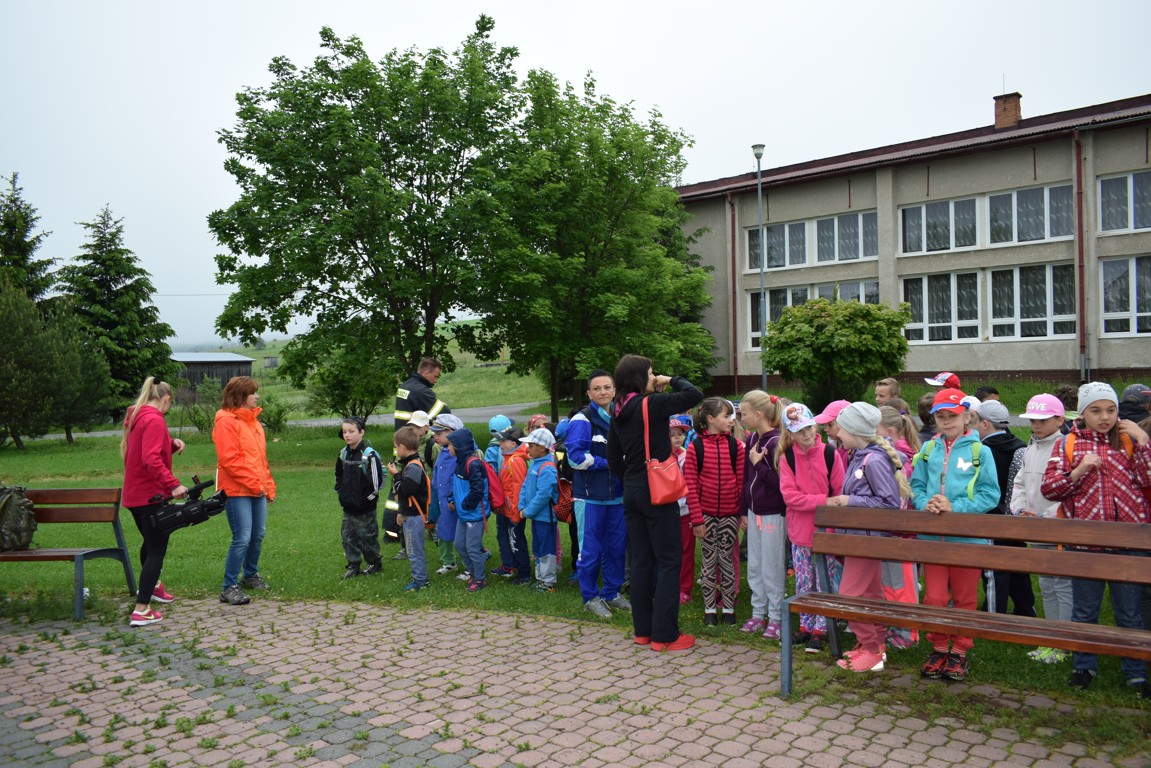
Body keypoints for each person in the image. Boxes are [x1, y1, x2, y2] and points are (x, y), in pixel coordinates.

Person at [1041, 382, 1151, 699]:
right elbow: (1049, 489)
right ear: (1082, 413)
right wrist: (1078, 471)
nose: (1105, 417)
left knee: (1129, 613)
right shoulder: (1069, 444)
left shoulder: (1129, 440)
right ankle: (1083, 667)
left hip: (1128, 543)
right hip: (1085, 543)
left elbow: (1147, 479)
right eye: (1096, 410)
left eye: (1111, 410)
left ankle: (1136, 672)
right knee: (1085, 611)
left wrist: (1144, 442)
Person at [607, 355, 704, 652]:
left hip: (633, 491)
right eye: (651, 373)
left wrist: (634, 477)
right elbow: (694, 394)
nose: (654, 377)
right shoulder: (651, 403)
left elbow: (613, 458)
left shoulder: (617, 409)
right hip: (658, 492)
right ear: (640, 377)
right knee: (669, 560)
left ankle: (644, 631)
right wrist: (671, 380)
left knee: (641, 561)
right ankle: (665, 635)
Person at [910, 388, 1000, 682]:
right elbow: (916, 487)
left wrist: (955, 506)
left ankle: (959, 651)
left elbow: (990, 495)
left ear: (967, 417)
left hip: (967, 539)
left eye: (953, 416)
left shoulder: (980, 452)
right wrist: (926, 503)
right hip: (933, 539)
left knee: (964, 598)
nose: (947, 421)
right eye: (941, 417)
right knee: (934, 597)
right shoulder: (928, 450)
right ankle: (938, 647)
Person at [825, 402, 910, 673]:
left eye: (841, 429)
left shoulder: (873, 461)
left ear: (855, 431)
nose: (838, 434)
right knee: (871, 595)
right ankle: (876, 645)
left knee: (849, 596)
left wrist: (849, 500)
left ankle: (871, 649)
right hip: (859, 540)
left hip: (867, 541)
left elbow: (889, 504)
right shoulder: (860, 456)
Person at [777, 403, 846, 655]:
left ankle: (822, 627)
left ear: (814, 426)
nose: (806, 434)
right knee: (804, 581)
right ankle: (806, 624)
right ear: (790, 433)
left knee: (824, 581)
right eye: (799, 431)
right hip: (800, 533)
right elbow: (790, 497)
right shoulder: (787, 458)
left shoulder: (830, 454)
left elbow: (839, 492)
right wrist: (822, 501)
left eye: (808, 428)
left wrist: (826, 503)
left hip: (826, 532)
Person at [1010, 393, 1073, 664]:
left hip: (1057, 528)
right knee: (1046, 585)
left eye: (1042, 420)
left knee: (1062, 585)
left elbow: (1070, 491)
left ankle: (1064, 644)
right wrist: (1019, 509)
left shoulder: (1068, 448)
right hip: (1035, 527)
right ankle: (1050, 640)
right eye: (1033, 421)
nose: (1036, 425)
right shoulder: (1031, 449)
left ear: (1059, 420)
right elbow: (1020, 484)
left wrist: (1046, 516)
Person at [120, 377, 186, 627]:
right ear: (166, 399)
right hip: (151, 495)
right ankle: (141, 609)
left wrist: (169, 444)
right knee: (157, 549)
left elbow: (144, 451)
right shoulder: (155, 419)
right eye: (170, 403)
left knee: (150, 543)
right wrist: (173, 484)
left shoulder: (138, 416)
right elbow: (150, 459)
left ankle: (153, 587)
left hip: (135, 495)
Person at [568, 370, 629, 620]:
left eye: (607, 387)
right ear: (589, 393)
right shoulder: (582, 420)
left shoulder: (621, 417)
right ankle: (590, 597)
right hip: (590, 497)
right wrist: (611, 463)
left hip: (618, 497)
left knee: (616, 549)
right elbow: (575, 458)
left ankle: (611, 593)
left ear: (614, 390)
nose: (603, 392)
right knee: (590, 551)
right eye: (597, 388)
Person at [214, 376, 277, 606]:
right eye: (253, 393)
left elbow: (260, 460)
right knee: (242, 537)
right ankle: (229, 587)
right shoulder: (225, 421)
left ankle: (250, 575)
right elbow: (230, 460)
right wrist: (255, 484)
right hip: (236, 490)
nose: (257, 397)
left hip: (256, 488)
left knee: (257, 534)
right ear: (240, 396)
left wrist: (267, 486)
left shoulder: (254, 422)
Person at [684, 397, 745, 627]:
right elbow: (690, 486)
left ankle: (728, 608)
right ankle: (709, 609)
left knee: (727, 560)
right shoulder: (695, 448)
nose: (731, 420)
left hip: (730, 515)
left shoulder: (735, 446)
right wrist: (697, 519)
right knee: (709, 562)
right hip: (706, 516)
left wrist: (740, 513)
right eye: (726, 416)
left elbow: (741, 482)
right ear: (710, 419)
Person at [972, 400, 1034, 617]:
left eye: (976, 421)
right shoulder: (1020, 446)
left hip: (992, 517)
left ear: (985, 424)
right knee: (1018, 566)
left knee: (993, 571)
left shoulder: (982, 451)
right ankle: (1026, 609)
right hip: (1015, 517)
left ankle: (993, 614)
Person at [738, 390, 787, 640]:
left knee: (772, 567)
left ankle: (776, 618)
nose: (741, 418)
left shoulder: (777, 442)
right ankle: (758, 613)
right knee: (755, 565)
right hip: (753, 512)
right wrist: (743, 510)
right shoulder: (753, 438)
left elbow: (782, 484)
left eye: (744, 414)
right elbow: (747, 478)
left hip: (773, 515)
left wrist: (759, 463)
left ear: (758, 414)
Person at [876, 405, 921, 649]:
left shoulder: (901, 459)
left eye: (875, 431)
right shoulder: (890, 455)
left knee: (902, 585)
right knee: (889, 583)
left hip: (901, 535)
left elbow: (900, 500)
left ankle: (908, 632)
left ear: (889, 433)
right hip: (889, 532)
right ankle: (895, 627)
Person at [334, 416, 385, 580]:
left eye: (351, 431)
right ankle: (353, 565)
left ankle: (374, 562)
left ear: (361, 432)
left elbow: (376, 483)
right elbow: (339, 475)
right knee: (348, 537)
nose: (347, 435)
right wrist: (341, 492)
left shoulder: (369, 455)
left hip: (365, 507)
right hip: (348, 506)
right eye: (344, 432)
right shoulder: (343, 454)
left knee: (367, 537)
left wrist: (367, 499)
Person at [447, 427, 490, 592]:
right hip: (463, 514)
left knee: (472, 547)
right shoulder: (459, 463)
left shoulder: (473, 464)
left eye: (450, 445)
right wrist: (452, 499)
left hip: (474, 514)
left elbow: (478, 490)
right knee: (459, 545)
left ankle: (480, 579)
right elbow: (458, 487)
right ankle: (473, 571)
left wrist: (466, 505)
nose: (448, 448)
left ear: (459, 446)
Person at [390, 425, 431, 591]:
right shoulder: (410, 464)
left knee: (414, 550)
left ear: (402, 447)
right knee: (413, 548)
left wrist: (395, 475)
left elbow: (404, 490)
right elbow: (405, 496)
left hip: (415, 517)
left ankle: (421, 581)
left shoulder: (413, 467)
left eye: (396, 447)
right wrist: (401, 512)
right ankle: (420, 579)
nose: (395, 450)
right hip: (409, 514)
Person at [519, 428, 560, 593]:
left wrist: (528, 511)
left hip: (545, 517)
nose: (527, 448)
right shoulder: (535, 464)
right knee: (537, 548)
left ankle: (548, 582)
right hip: (536, 517)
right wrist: (522, 506)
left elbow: (543, 495)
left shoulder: (547, 468)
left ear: (542, 448)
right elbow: (525, 486)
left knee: (547, 549)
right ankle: (540, 578)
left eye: (531, 445)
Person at [429, 414, 465, 577]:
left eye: (439, 433)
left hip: (457, 501)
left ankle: (476, 556)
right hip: (442, 499)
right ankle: (448, 561)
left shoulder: (462, 452)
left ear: (452, 432)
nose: (435, 436)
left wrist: (453, 498)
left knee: (462, 533)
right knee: (443, 529)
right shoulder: (443, 450)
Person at [496, 425, 532, 584]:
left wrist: (516, 513)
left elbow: (519, 488)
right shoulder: (508, 458)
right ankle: (517, 568)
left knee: (517, 541)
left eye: (503, 441)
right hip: (508, 509)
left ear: (513, 443)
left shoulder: (515, 460)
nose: (500, 444)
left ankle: (524, 574)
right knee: (512, 540)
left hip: (514, 511)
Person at [486, 414, 519, 578]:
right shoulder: (516, 448)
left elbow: (490, 477)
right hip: (513, 498)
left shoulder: (491, 451)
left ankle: (508, 565)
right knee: (514, 533)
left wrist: (494, 500)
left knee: (503, 532)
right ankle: (517, 563)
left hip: (501, 498)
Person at [669, 415, 695, 605]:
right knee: (669, 550)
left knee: (686, 550)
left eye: (680, 434)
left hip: (685, 512)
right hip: (666, 511)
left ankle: (685, 588)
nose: (677, 438)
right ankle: (669, 584)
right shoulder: (660, 457)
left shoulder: (687, 457)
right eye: (672, 434)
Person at [393, 357, 450, 429]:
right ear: (427, 373)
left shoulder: (404, 386)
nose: (436, 380)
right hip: (414, 433)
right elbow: (444, 413)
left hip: (400, 432)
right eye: (435, 376)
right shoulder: (421, 391)